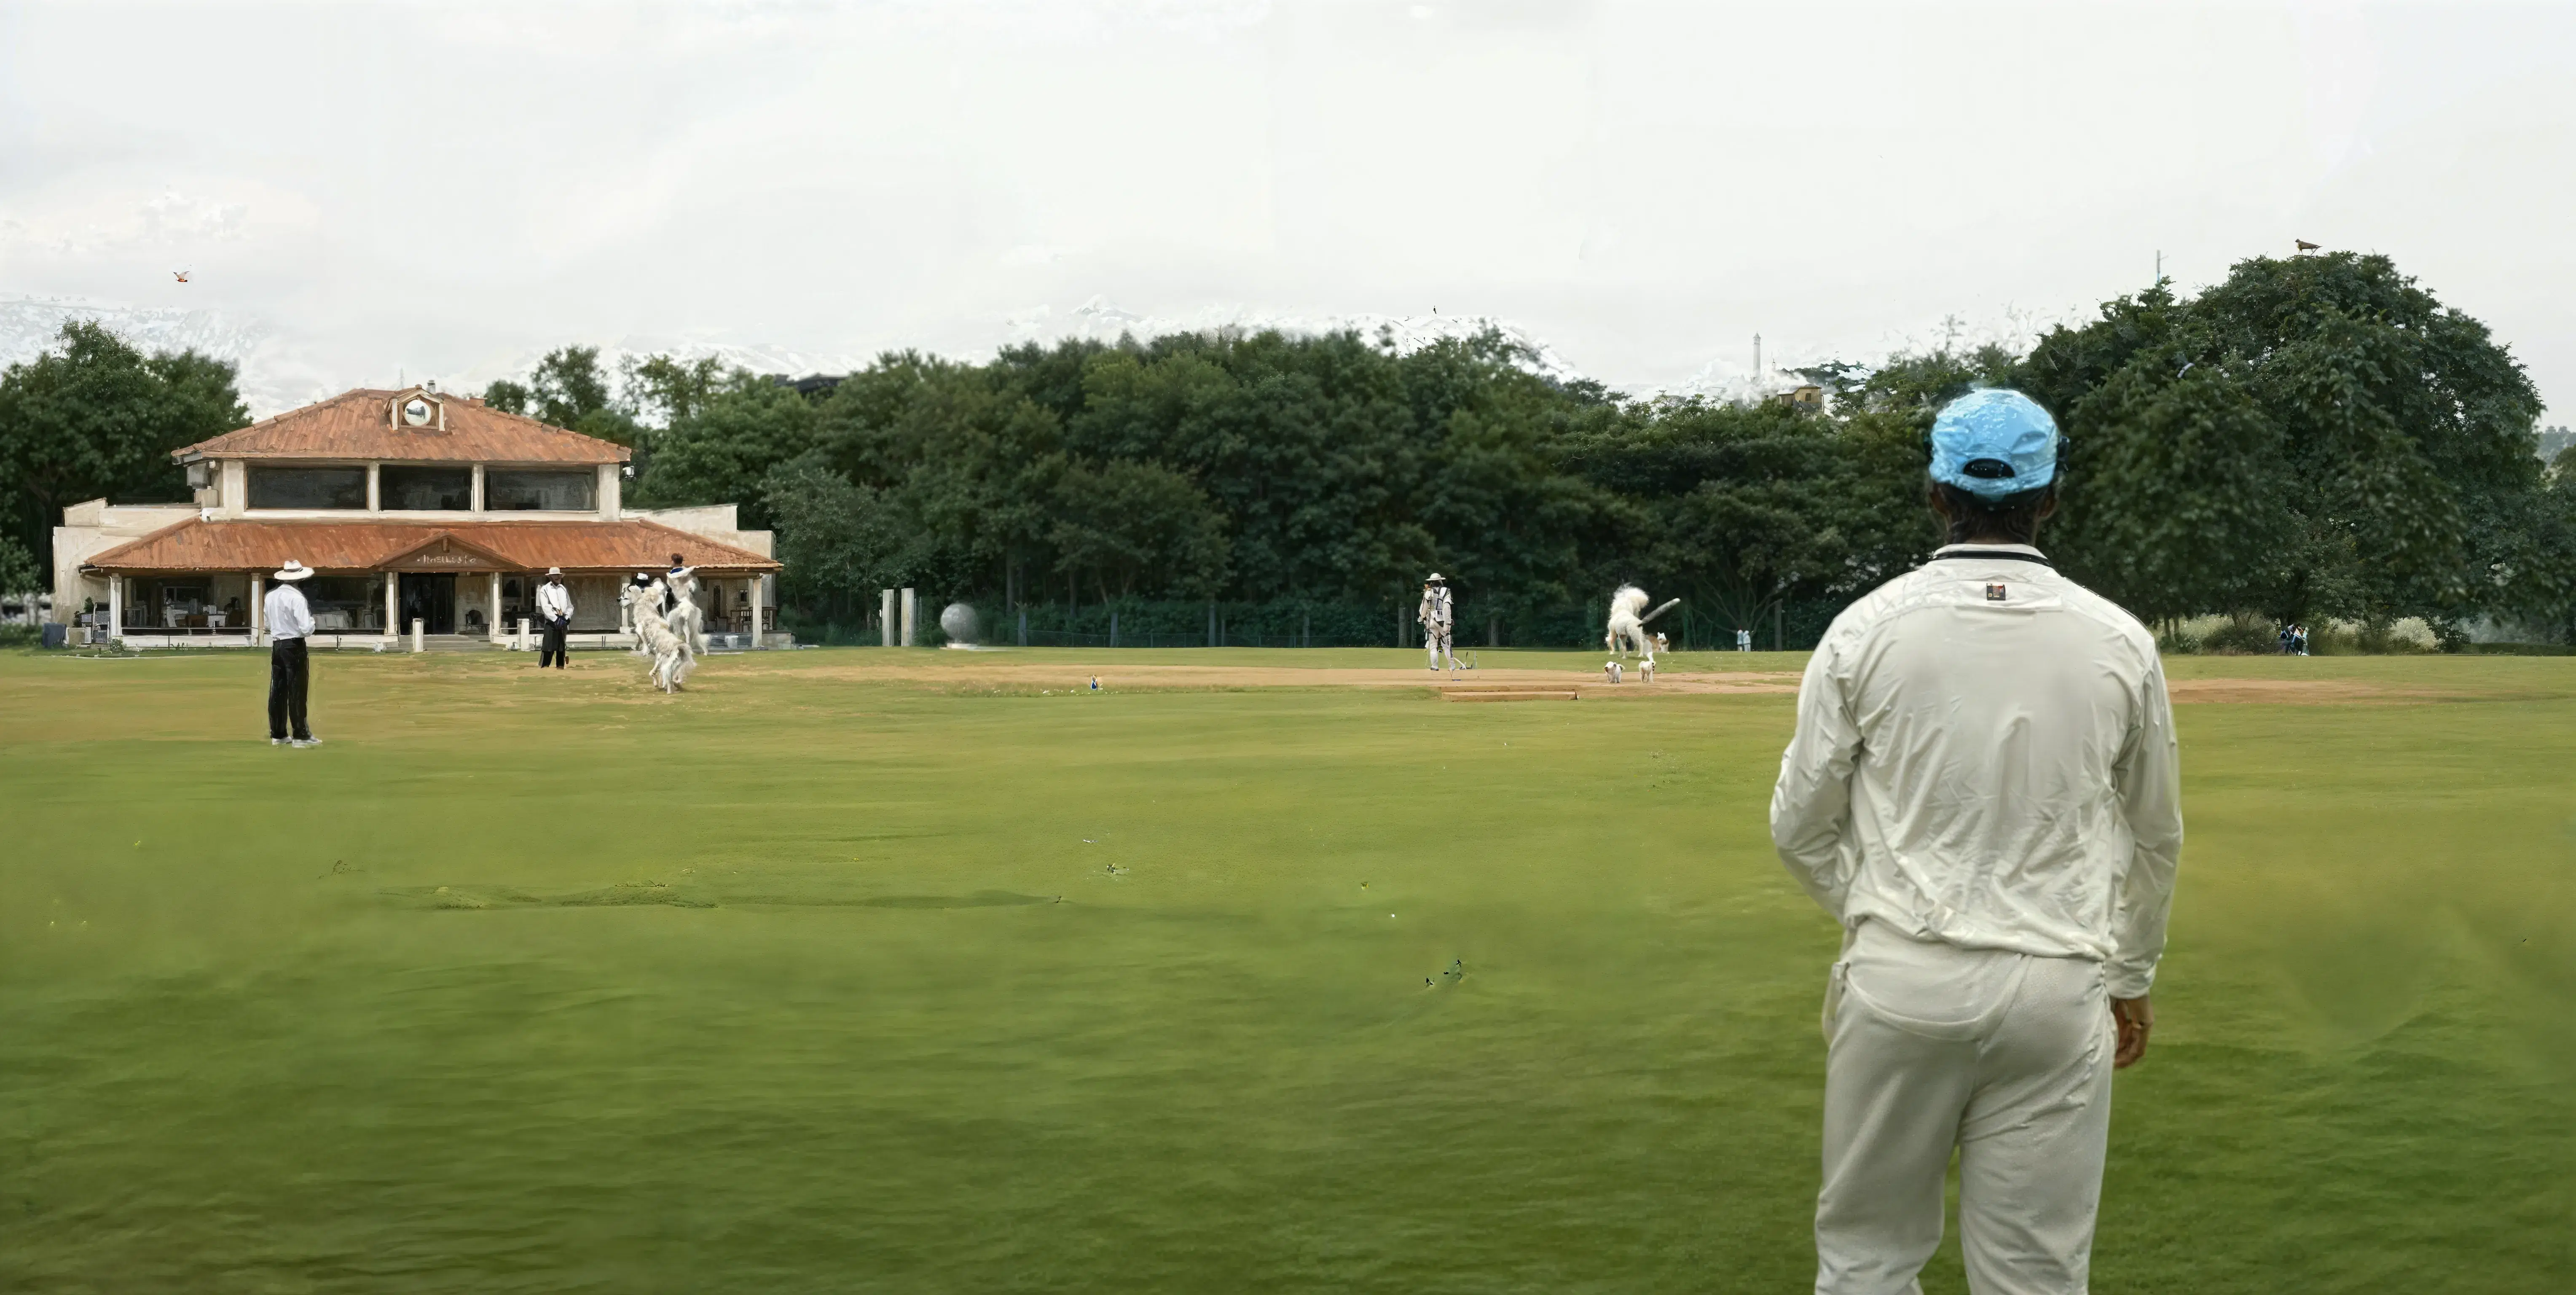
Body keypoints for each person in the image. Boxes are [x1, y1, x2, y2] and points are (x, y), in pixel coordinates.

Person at [1770, 388, 2183, 1295]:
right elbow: (2153, 835)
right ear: (2048, 499)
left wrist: (1880, 914)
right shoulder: (2117, 640)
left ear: (1933, 492)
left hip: (1899, 980)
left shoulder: (1864, 631)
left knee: (1866, 1261)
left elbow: (1798, 825)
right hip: (2057, 983)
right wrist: (2132, 974)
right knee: (2034, 1275)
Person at [264, 559, 321, 747]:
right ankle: (300, 734)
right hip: (294, 645)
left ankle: (278, 734)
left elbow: (267, 625)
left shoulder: (270, 596)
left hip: (277, 645)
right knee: (297, 690)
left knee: (278, 690)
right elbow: (306, 629)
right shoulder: (297, 598)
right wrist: (313, 623)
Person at [536, 568, 575, 668]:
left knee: (561, 649)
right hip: (552, 622)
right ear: (550, 577)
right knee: (548, 648)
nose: (558, 577)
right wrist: (556, 619)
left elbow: (570, 606)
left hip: (563, 621)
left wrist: (567, 617)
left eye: (559, 575)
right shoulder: (545, 589)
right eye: (555, 575)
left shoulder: (563, 589)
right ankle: (544, 668)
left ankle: (560, 669)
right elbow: (546, 608)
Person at [1417, 572, 1454, 671]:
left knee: (1433, 646)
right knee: (1446, 645)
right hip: (1442, 622)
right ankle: (1452, 665)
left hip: (1431, 622)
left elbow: (1424, 608)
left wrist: (1422, 618)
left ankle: (1435, 666)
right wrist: (1448, 623)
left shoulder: (1428, 592)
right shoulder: (1446, 591)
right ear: (1440, 581)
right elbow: (1447, 607)